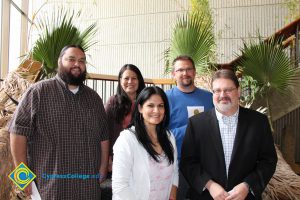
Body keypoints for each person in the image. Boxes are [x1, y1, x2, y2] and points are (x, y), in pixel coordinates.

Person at [9, 45, 109, 199]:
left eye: (82, 61)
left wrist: (103, 167)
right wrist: (22, 179)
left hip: (87, 188)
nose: (77, 64)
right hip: (49, 188)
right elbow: (17, 133)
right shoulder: (38, 92)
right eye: (71, 59)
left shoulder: (94, 98)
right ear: (59, 62)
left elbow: (103, 135)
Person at [180, 69, 278, 200]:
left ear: (238, 91)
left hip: (245, 197)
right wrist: (209, 185)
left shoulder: (259, 122)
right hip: (206, 196)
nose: (222, 95)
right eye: (217, 91)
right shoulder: (196, 124)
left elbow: (268, 160)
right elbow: (188, 162)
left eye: (228, 90)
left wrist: (247, 185)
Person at [112, 86, 179, 200]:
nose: (156, 111)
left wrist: (172, 194)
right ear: (140, 108)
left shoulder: (169, 137)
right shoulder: (127, 139)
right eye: (150, 105)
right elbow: (120, 187)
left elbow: (174, 171)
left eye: (161, 106)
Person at [166, 55, 214, 199]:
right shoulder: (165, 98)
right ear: (173, 74)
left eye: (188, 69)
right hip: (176, 165)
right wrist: (190, 128)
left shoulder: (209, 97)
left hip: (205, 165)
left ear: (194, 72)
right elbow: (160, 132)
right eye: (180, 70)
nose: (185, 73)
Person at [105, 64, 145, 171]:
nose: (130, 81)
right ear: (120, 80)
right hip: (119, 157)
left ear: (139, 80)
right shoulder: (112, 102)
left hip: (142, 157)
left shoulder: (146, 102)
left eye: (134, 78)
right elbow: (105, 132)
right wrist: (108, 159)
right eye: (126, 78)